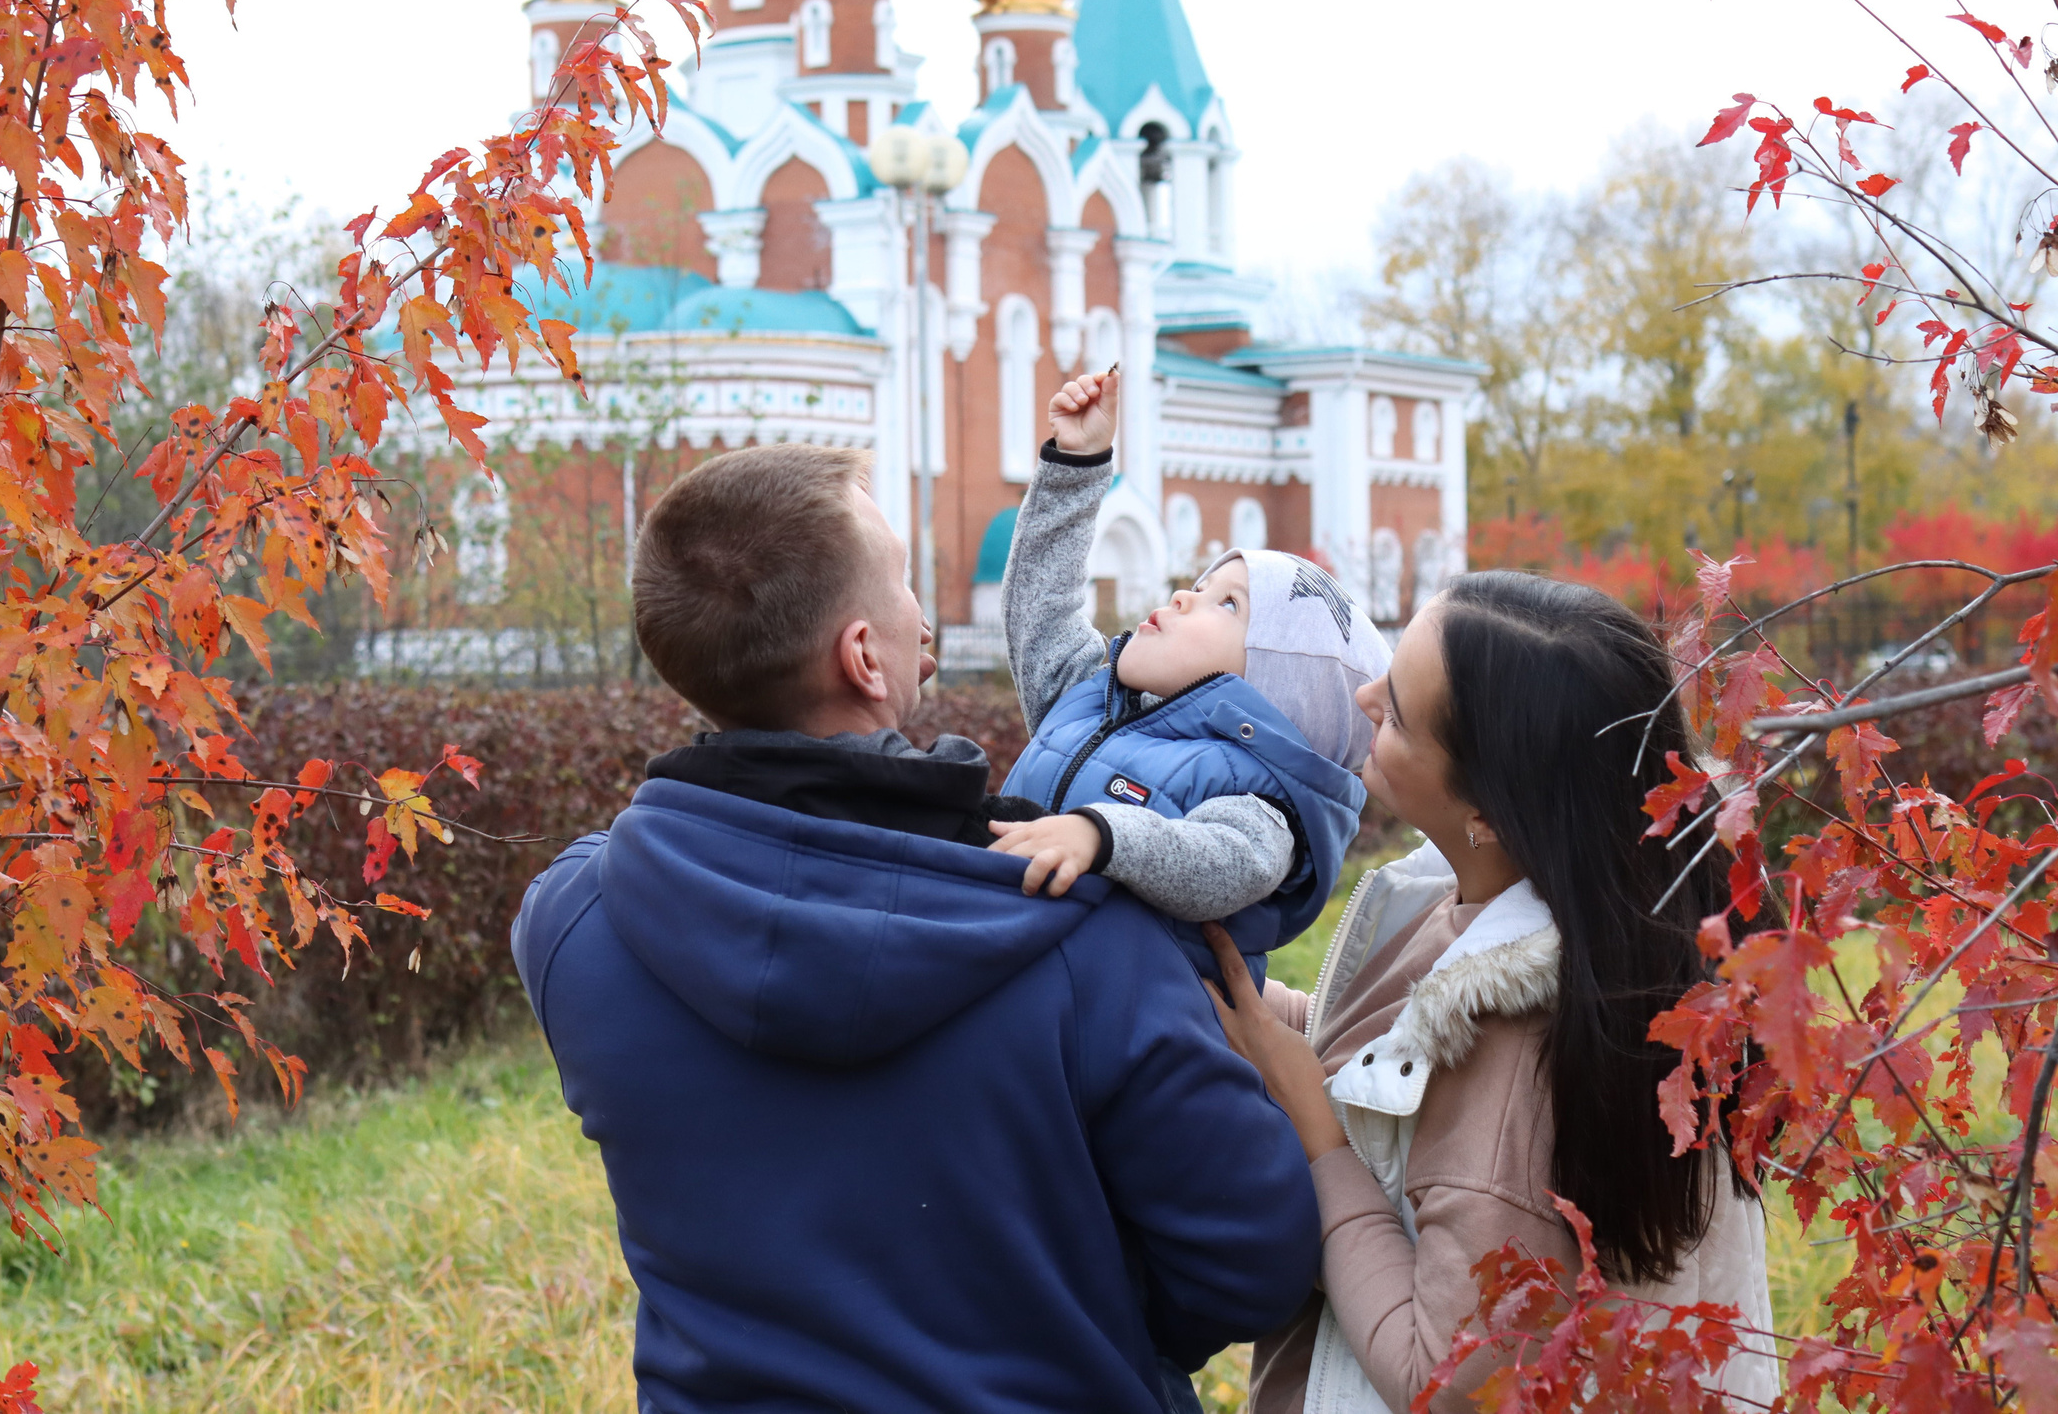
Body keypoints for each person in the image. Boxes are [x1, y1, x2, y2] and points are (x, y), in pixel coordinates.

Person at [510, 444, 1320, 1414]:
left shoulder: (573, 923)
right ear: (862, 655)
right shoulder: (1088, 942)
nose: (922, 616)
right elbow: (1253, 1261)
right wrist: (1097, 1317)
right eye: (901, 581)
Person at [1201, 571, 1777, 1413]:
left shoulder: (1522, 1061)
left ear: (1490, 811)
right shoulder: (1577, 904)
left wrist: (1317, 1136)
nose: (1363, 695)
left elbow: (1441, 1377)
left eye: (1398, 710)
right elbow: (1390, 1053)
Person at [988, 370, 1388, 990]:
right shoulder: (1092, 704)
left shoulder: (1258, 798)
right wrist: (1076, 464)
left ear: (1273, 691)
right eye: (1200, 585)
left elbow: (1225, 864)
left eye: (1226, 605)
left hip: (1139, 1048)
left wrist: (1102, 835)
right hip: (1018, 994)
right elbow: (1039, 610)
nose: (1182, 596)